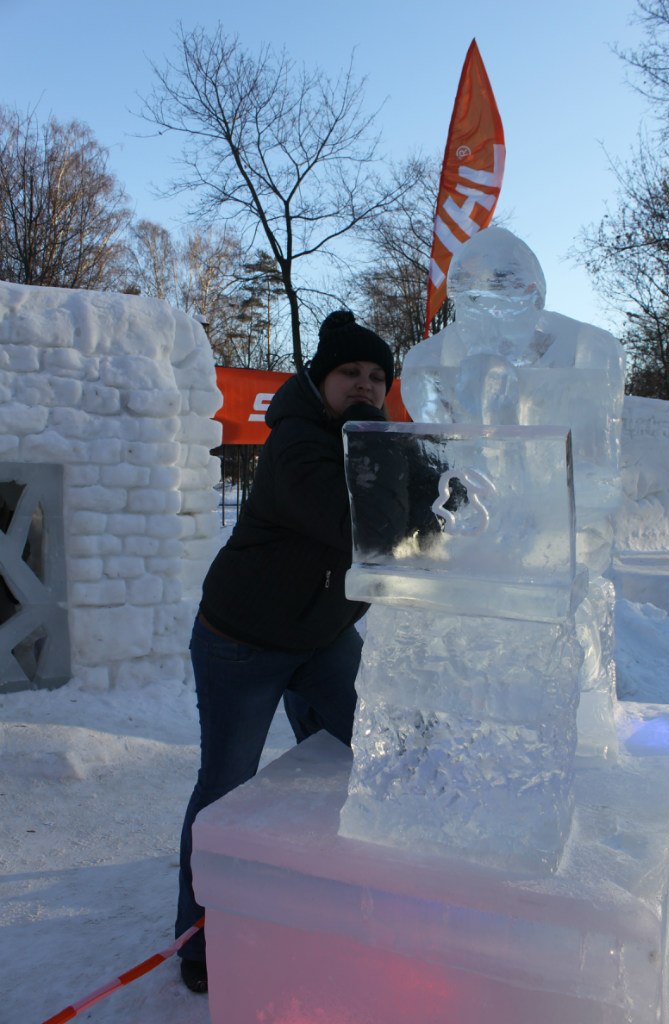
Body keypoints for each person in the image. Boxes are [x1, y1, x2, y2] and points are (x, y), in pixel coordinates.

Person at [175, 310, 395, 993]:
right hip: (243, 642)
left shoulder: (370, 437)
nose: (363, 384)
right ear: (318, 380)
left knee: (361, 751)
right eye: (349, 373)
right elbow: (356, 525)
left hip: (322, 635)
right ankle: (198, 935)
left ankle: (319, 886)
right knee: (226, 785)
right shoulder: (298, 443)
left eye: (375, 376)